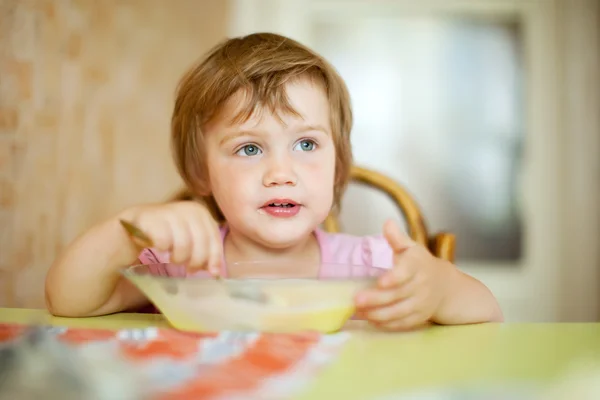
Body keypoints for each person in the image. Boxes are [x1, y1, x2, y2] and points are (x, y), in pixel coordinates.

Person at [45, 32, 503, 330]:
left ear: (338, 166)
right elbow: (69, 301)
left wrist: (437, 289)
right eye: (249, 148)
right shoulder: (181, 266)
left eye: (306, 145)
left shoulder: (373, 266)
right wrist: (127, 231)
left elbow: (486, 309)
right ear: (201, 173)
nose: (281, 174)